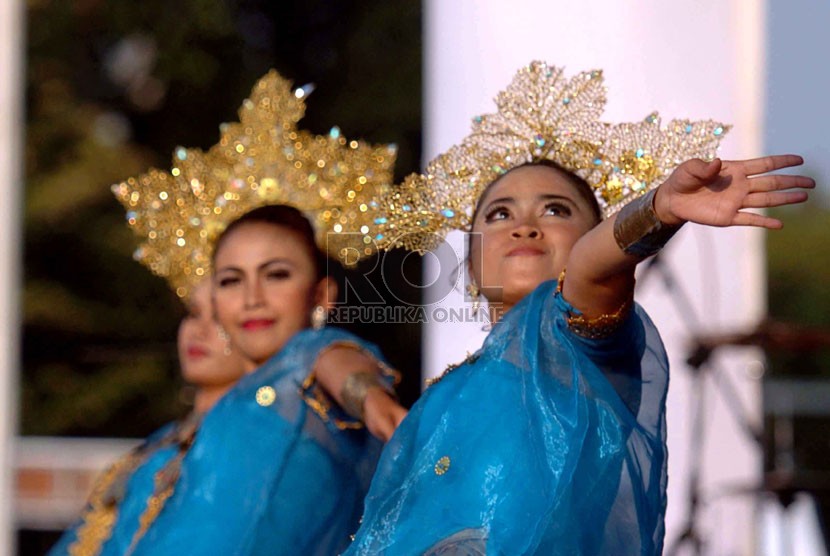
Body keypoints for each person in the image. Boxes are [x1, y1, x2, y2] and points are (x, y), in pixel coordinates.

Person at [346, 61, 815, 555]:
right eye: (500, 213)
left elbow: (591, 271)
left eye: (556, 210)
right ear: (469, 268)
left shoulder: (575, 346)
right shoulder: (449, 393)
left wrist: (657, 209)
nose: (524, 227)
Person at [110, 70, 407, 555]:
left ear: (321, 297)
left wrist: (371, 399)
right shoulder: (197, 428)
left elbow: (335, 359)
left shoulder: (305, 370)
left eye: (276, 275)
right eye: (231, 280)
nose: (251, 297)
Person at [48, 280, 247, 556]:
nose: (198, 331)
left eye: (219, 319)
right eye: (193, 313)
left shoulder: (246, 445)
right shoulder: (164, 440)